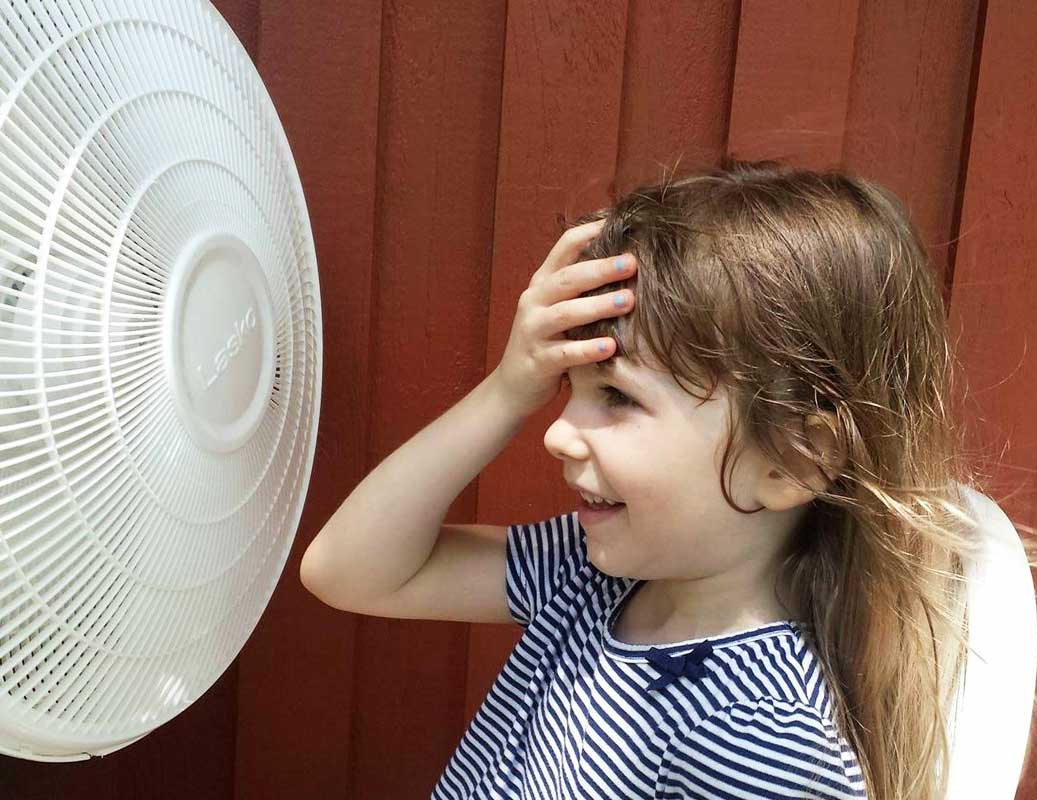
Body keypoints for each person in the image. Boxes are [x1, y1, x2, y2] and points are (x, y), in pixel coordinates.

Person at [301, 159, 993, 799]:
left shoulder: (760, 737)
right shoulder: (596, 574)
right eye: (565, 390)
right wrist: (506, 391)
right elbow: (349, 570)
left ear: (793, 460)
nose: (556, 430)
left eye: (618, 397)